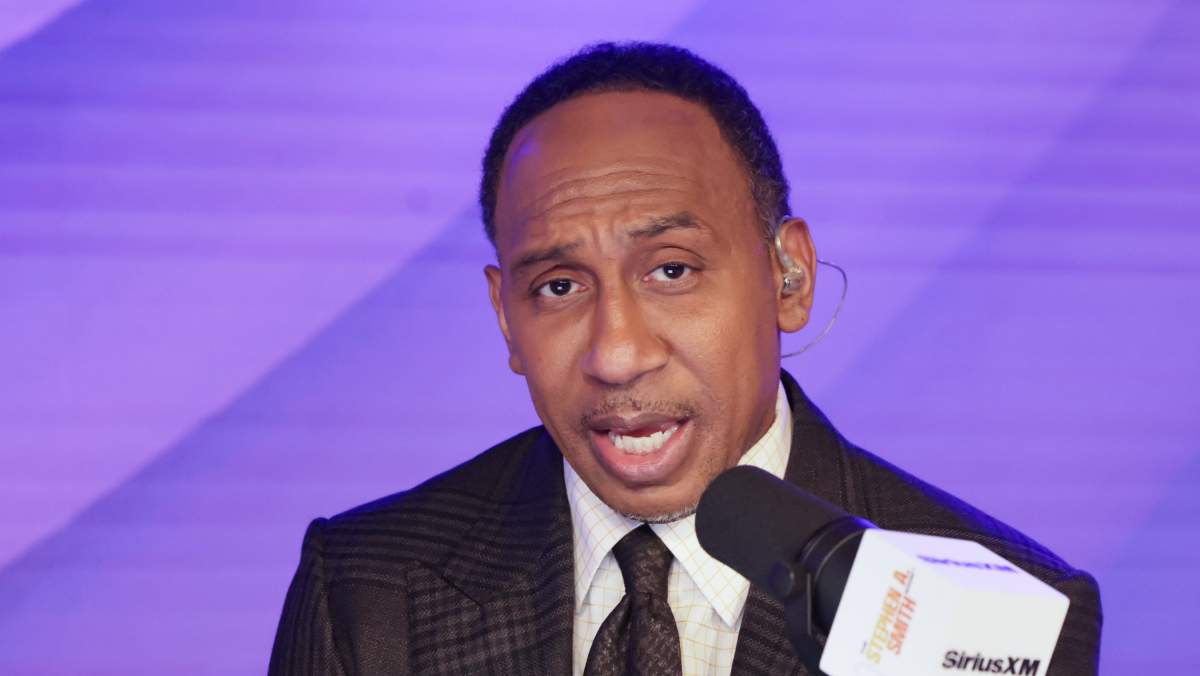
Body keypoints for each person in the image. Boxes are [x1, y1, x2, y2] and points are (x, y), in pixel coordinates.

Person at [269, 42, 1101, 675]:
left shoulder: (1002, 617)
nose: (617, 354)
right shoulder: (367, 591)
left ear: (789, 275)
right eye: (558, 287)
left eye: (672, 270)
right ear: (505, 318)